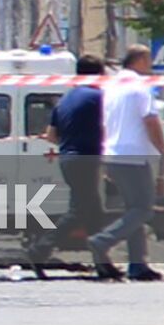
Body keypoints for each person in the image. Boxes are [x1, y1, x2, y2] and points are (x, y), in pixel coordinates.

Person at [88, 45, 164, 282]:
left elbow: (104, 124)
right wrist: (162, 150)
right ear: (141, 60)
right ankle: (102, 241)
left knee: (133, 209)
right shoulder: (140, 87)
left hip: (113, 153)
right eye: (148, 60)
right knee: (143, 209)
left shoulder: (111, 87)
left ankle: (137, 264)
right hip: (133, 156)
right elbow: (151, 121)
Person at [27, 54, 106, 277]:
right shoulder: (98, 96)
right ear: (98, 74)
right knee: (79, 211)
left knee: (93, 211)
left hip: (68, 158)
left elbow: (51, 136)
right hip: (85, 158)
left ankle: (102, 261)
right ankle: (39, 249)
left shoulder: (65, 99)